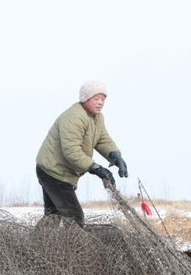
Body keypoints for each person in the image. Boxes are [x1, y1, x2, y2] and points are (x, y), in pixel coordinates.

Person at [35, 80, 128, 227]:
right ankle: (72, 248)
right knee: (74, 217)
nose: (100, 103)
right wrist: (96, 168)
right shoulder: (74, 117)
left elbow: (102, 139)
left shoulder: (97, 118)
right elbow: (71, 151)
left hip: (60, 172)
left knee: (53, 215)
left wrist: (115, 155)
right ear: (85, 99)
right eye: (96, 99)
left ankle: (36, 247)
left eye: (103, 99)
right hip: (53, 171)